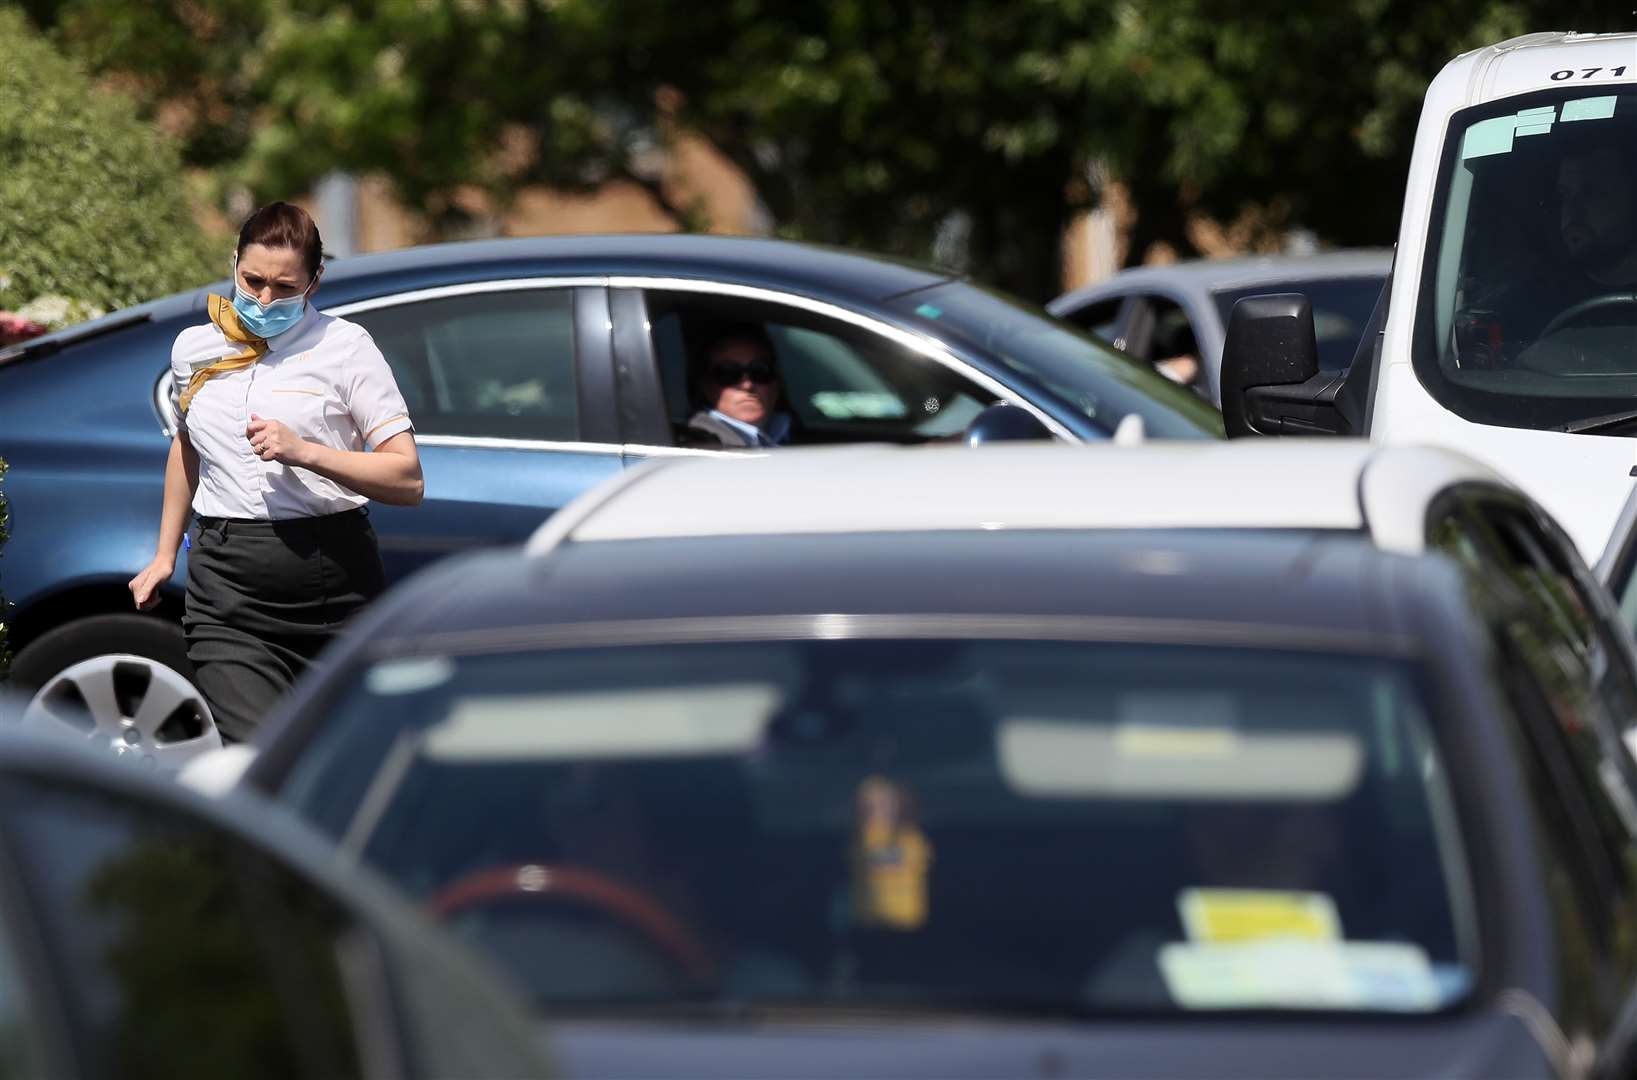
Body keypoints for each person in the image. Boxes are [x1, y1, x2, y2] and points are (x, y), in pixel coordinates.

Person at [127, 202, 422, 742]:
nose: (264, 299)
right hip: (225, 587)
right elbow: (187, 448)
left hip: (331, 579)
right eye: (252, 279)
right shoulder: (194, 349)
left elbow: (406, 479)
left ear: (314, 282)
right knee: (258, 755)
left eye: (284, 287)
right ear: (234, 262)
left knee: (331, 764)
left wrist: (307, 452)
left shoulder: (345, 348)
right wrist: (165, 553)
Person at [680, 323, 794, 448]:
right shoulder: (700, 445)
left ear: (776, 384)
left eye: (759, 371)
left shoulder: (795, 434)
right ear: (706, 386)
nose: (747, 385)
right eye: (729, 373)